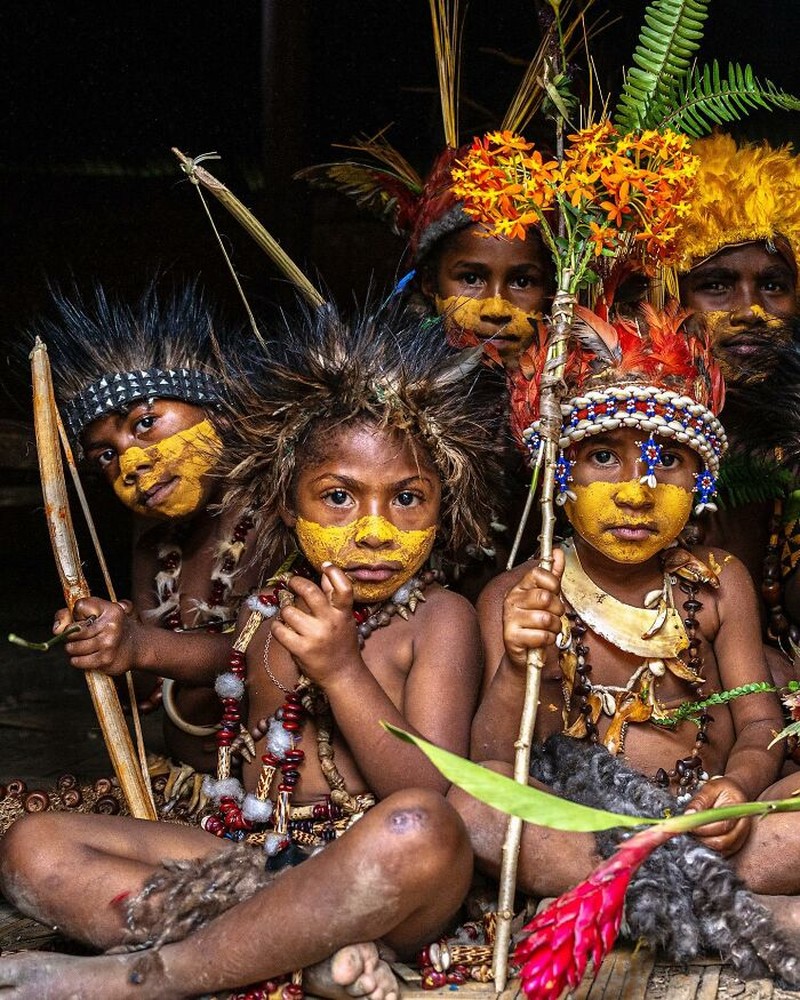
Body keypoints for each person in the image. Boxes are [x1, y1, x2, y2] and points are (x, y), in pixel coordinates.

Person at [0, 299, 505, 999]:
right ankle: (302, 949)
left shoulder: (440, 619)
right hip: (256, 855)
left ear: (443, 507)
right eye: (338, 498)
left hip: (374, 868)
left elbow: (427, 792)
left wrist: (342, 670)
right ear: (285, 505)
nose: (375, 531)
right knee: (34, 847)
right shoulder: (272, 599)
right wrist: (135, 645)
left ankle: (155, 974)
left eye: (408, 499)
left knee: (424, 830)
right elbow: (223, 664)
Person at [456, 302, 800, 976]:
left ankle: (623, 904)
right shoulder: (517, 596)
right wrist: (522, 666)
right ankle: (735, 911)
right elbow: (494, 759)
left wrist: (738, 786)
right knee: (473, 806)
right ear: (559, 474)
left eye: (667, 460)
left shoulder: (719, 583)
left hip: (710, 826)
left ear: (702, 478)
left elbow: (761, 722)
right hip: (581, 831)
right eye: (603, 457)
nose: (637, 492)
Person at [39, 282, 258, 780]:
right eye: (106, 455)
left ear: (221, 413)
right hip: (191, 783)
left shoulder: (280, 515)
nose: (130, 464)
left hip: (275, 792)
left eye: (145, 423)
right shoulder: (156, 542)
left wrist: (140, 645)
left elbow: (266, 652)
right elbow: (152, 686)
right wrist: (107, 641)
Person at [674, 132, 800, 669]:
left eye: (773, 286)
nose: (750, 311)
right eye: (717, 286)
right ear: (668, 294)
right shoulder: (615, 431)